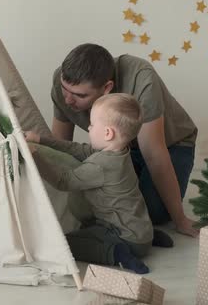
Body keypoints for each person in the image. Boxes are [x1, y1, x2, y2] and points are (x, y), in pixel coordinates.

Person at [50, 43, 199, 237]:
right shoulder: (62, 81)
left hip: (171, 145)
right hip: (117, 148)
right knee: (89, 197)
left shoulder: (141, 77)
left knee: (152, 213)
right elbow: (61, 147)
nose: (68, 100)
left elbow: (154, 154)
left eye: (80, 95)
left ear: (107, 88)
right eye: (65, 90)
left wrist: (180, 220)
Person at [26, 94, 167, 274]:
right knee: (104, 225)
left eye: (92, 124)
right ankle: (148, 238)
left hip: (124, 238)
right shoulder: (121, 152)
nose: (89, 127)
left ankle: (116, 253)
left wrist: (34, 155)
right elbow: (79, 149)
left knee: (64, 244)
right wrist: (41, 139)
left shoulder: (101, 165)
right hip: (141, 233)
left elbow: (64, 181)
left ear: (108, 133)